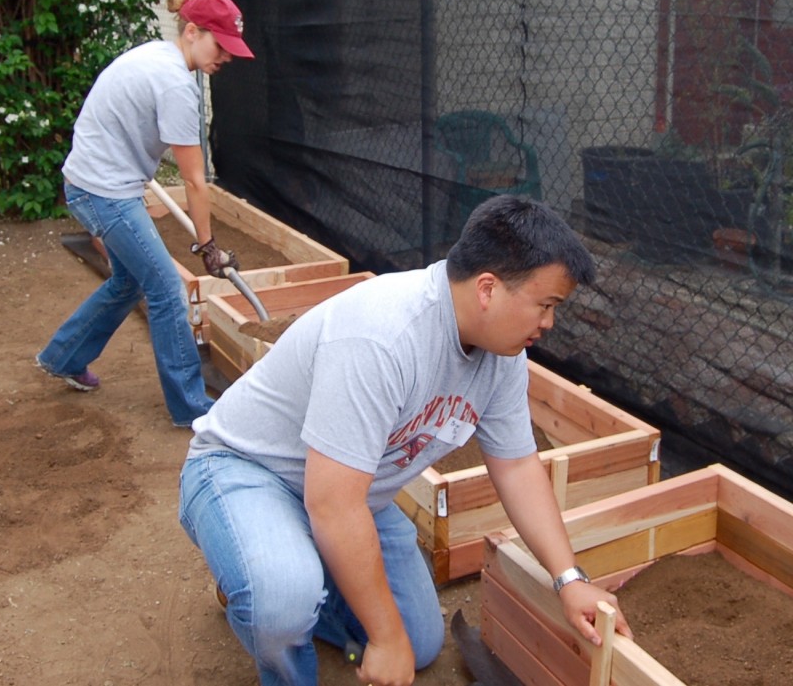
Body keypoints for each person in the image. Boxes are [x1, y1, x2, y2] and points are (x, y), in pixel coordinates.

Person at [178, 194, 634, 686]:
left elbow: (519, 467)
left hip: (349, 492)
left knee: (416, 641)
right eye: (545, 305)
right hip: (247, 471)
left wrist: (569, 580)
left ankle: (271, 576)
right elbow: (332, 506)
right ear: (488, 289)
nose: (549, 323)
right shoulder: (382, 337)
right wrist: (382, 636)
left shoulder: (502, 356)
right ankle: (265, 593)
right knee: (284, 604)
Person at [36, 0, 254, 427]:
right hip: (105, 190)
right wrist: (207, 245)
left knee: (128, 282)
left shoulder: (159, 56)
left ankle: (62, 356)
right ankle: (191, 408)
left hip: (92, 180)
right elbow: (194, 179)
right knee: (166, 290)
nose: (225, 59)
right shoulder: (175, 83)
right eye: (221, 47)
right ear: (192, 32)